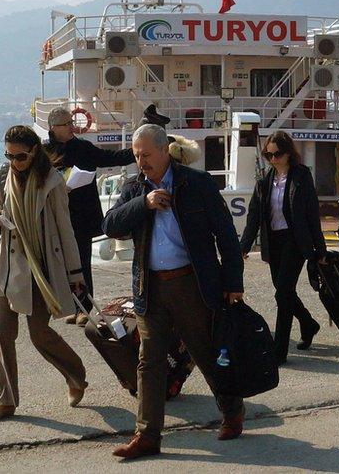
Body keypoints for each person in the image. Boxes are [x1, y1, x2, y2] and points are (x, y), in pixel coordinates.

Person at [102, 123, 246, 459]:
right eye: (137, 156)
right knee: (148, 362)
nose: (142, 162)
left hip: (192, 283)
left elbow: (225, 234)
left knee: (205, 351)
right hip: (150, 286)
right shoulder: (135, 187)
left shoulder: (196, 184)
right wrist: (144, 204)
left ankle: (231, 409)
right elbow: (110, 225)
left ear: (165, 150)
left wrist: (233, 283)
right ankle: (147, 435)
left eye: (147, 155)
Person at [0, 125, 88, 423]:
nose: (15, 161)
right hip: (6, 265)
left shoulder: (52, 182)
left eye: (20, 156)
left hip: (39, 268)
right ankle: (7, 400)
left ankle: (75, 374)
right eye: (9, 155)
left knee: (39, 334)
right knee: (3, 333)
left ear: (34, 153)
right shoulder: (4, 175)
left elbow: (65, 229)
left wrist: (75, 273)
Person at [240, 131, 325, 364]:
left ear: (288, 153)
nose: (273, 159)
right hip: (273, 243)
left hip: (295, 242)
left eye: (277, 154)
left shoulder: (301, 176)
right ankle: (308, 324)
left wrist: (321, 250)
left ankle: (279, 351)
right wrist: (243, 247)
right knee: (284, 292)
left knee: (283, 293)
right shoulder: (264, 182)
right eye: (269, 155)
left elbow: (312, 214)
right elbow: (254, 217)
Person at [44, 107, 134, 326]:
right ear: (54, 127)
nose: (72, 127)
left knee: (82, 262)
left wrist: (139, 149)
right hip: (56, 215)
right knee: (60, 263)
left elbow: (111, 157)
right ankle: (69, 307)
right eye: (66, 124)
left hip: (82, 215)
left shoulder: (83, 147)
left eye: (71, 122)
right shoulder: (43, 152)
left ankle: (84, 308)